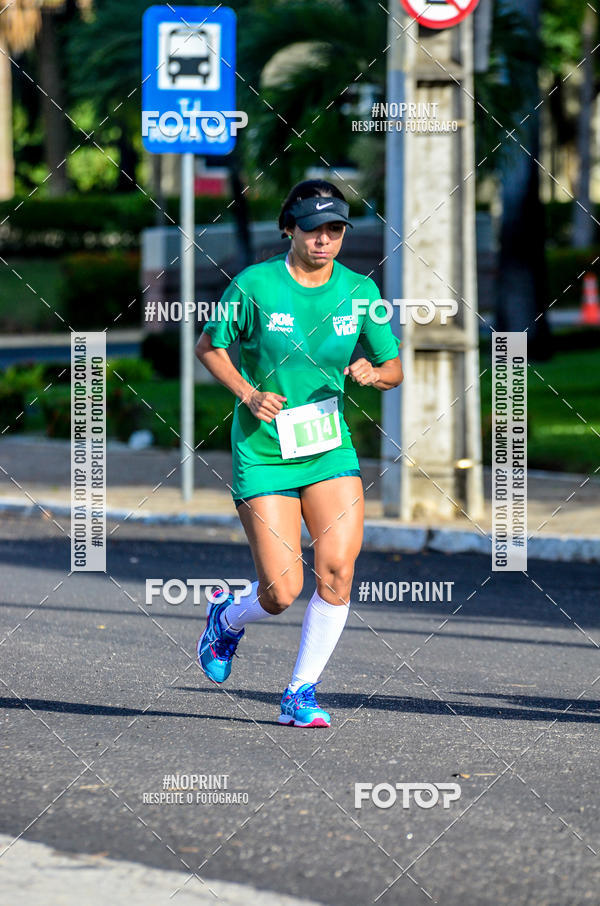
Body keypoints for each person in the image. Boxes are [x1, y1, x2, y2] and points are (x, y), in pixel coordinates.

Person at [195, 178, 403, 728]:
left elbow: (394, 367)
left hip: (328, 449)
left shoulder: (361, 293)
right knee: (282, 591)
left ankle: (300, 691)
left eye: (335, 229)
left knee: (337, 570)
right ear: (289, 229)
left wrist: (374, 373)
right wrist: (249, 393)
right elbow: (209, 347)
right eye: (313, 229)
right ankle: (227, 618)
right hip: (264, 451)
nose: (324, 240)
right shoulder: (255, 285)